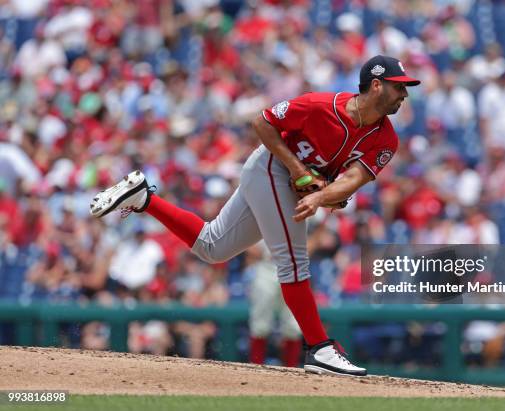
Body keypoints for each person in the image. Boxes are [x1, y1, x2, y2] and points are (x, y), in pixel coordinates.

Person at [90, 55, 421, 376]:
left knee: (212, 247)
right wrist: (298, 170)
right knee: (293, 261)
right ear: (376, 86)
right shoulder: (319, 104)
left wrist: (321, 193)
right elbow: (263, 122)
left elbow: (352, 180)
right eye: (399, 86)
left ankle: (144, 199)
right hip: (272, 167)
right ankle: (320, 348)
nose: (404, 94)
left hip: (294, 184)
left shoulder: (387, 137)